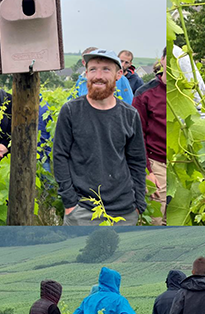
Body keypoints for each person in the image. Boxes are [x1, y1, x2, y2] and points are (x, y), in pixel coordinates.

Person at [54, 49, 147, 226]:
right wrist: (70, 203)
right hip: (83, 211)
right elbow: (60, 156)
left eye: (106, 69)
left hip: (124, 212)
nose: (99, 76)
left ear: (118, 74)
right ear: (86, 73)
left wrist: (138, 204)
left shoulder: (130, 115)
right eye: (93, 69)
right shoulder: (71, 111)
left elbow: (137, 161)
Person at [133, 49, 167, 225]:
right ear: (162, 60)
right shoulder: (144, 94)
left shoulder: (187, 92)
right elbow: (137, 138)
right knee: (157, 220)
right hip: (157, 165)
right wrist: (148, 171)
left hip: (183, 166)